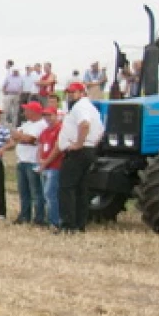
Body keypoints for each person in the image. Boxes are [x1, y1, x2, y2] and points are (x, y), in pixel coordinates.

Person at [55, 80, 106, 232]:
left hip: (78, 151)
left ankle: (68, 224)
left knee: (67, 187)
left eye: (73, 92)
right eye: (69, 92)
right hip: (89, 149)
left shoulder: (80, 107)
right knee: (81, 188)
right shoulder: (92, 108)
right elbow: (101, 130)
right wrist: (91, 143)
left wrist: (79, 143)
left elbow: (84, 124)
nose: (70, 95)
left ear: (82, 93)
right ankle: (79, 223)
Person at [11, 101, 45, 224]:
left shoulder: (41, 125)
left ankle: (39, 217)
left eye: (27, 110)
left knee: (36, 192)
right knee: (23, 191)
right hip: (22, 160)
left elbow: (31, 139)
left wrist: (21, 137)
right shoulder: (26, 124)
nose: (24, 112)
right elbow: (14, 135)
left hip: (33, 161)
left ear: (34, 112)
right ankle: (24, 215)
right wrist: (22, 137)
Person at [37, 103, 65, 229]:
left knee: (51, 194)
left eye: (50, 115)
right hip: (45, 166)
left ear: (56, 115)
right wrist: (40, 161)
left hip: (55, 166)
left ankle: (55, 221)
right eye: (45, 115)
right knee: (46, 194)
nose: (47, 118)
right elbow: (40, 147)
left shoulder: (60, 129)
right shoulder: (44, 131)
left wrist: (46, 161)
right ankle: (51, 219)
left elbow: (57, 148)